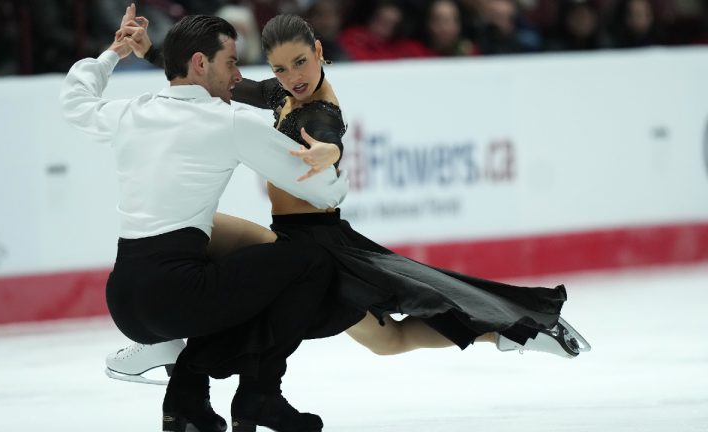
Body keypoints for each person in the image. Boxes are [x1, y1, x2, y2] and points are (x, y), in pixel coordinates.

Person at [109, 10, 591, 384]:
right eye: (281, 68)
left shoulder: (319, 110)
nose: (293, 76)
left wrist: (328, 151)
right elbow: (228, 86)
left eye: (301, 62)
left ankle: (512, 334)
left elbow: (328, 133)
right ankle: (169, 339)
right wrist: (155, 53)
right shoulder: (282, 95)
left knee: (392, 339)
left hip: (321, 248)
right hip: (290, 238)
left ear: (319, 51)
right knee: (196, 229)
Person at [61, 8, 353, 432]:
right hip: (177, 297)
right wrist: (334, 163)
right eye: (231, 62)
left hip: (123, 299)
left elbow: (74, 101)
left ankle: (186, 405)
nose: (237, 76)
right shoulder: (230, 122)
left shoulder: (131, 112)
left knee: (236, 271)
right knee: (311, 261)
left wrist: (111, 55)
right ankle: (260, 395)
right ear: (201, 63)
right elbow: (324, 190)